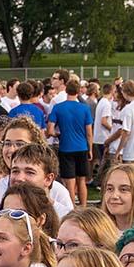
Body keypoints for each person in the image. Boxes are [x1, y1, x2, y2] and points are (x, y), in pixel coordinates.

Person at [47, 80, 94, 208]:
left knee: (70, 183)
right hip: (82, 147)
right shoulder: (84, 108)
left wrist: (58, 134)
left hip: (66, 147)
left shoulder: (58, 107)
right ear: (79, 92)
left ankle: (71, 207)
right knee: (82, 180)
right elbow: (89, 132)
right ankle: (83, 207)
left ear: (66, 91)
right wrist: (90, 149)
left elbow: (50, 130)